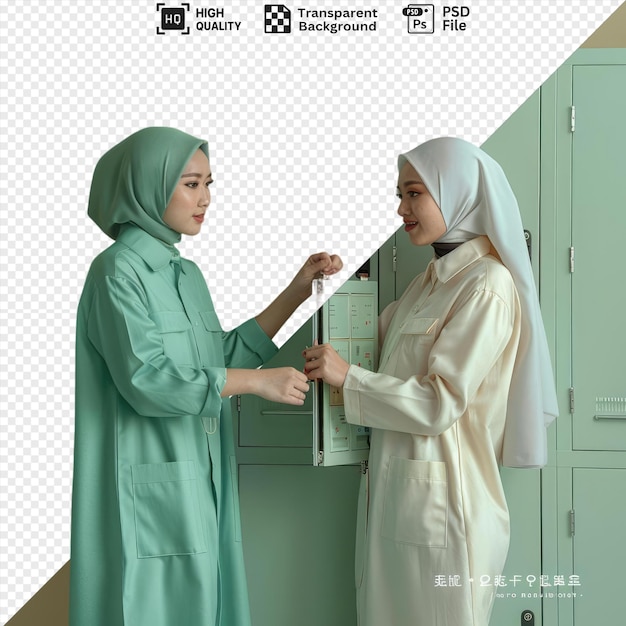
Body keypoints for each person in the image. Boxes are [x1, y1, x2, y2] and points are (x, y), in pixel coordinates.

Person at [69, 126, 342, 626]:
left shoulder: (184, 274)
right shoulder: (115, 273)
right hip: (150, 482)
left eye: (210, 184)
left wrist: (298, 289)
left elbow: (218, 356)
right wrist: (258, 383)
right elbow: (146, 378)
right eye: (191, 184)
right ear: (149, 185)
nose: (206, 199)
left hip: (201, 475)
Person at [303, 137, 558, 626]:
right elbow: (366, 345)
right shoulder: (427, 284)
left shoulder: (488, 286)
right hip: (402, 503)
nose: (401, 208)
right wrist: (330, 284)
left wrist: (348, 378)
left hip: (448, 513)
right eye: (399, 194)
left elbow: (440, 402)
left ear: (456, 193)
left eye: (414, 193)